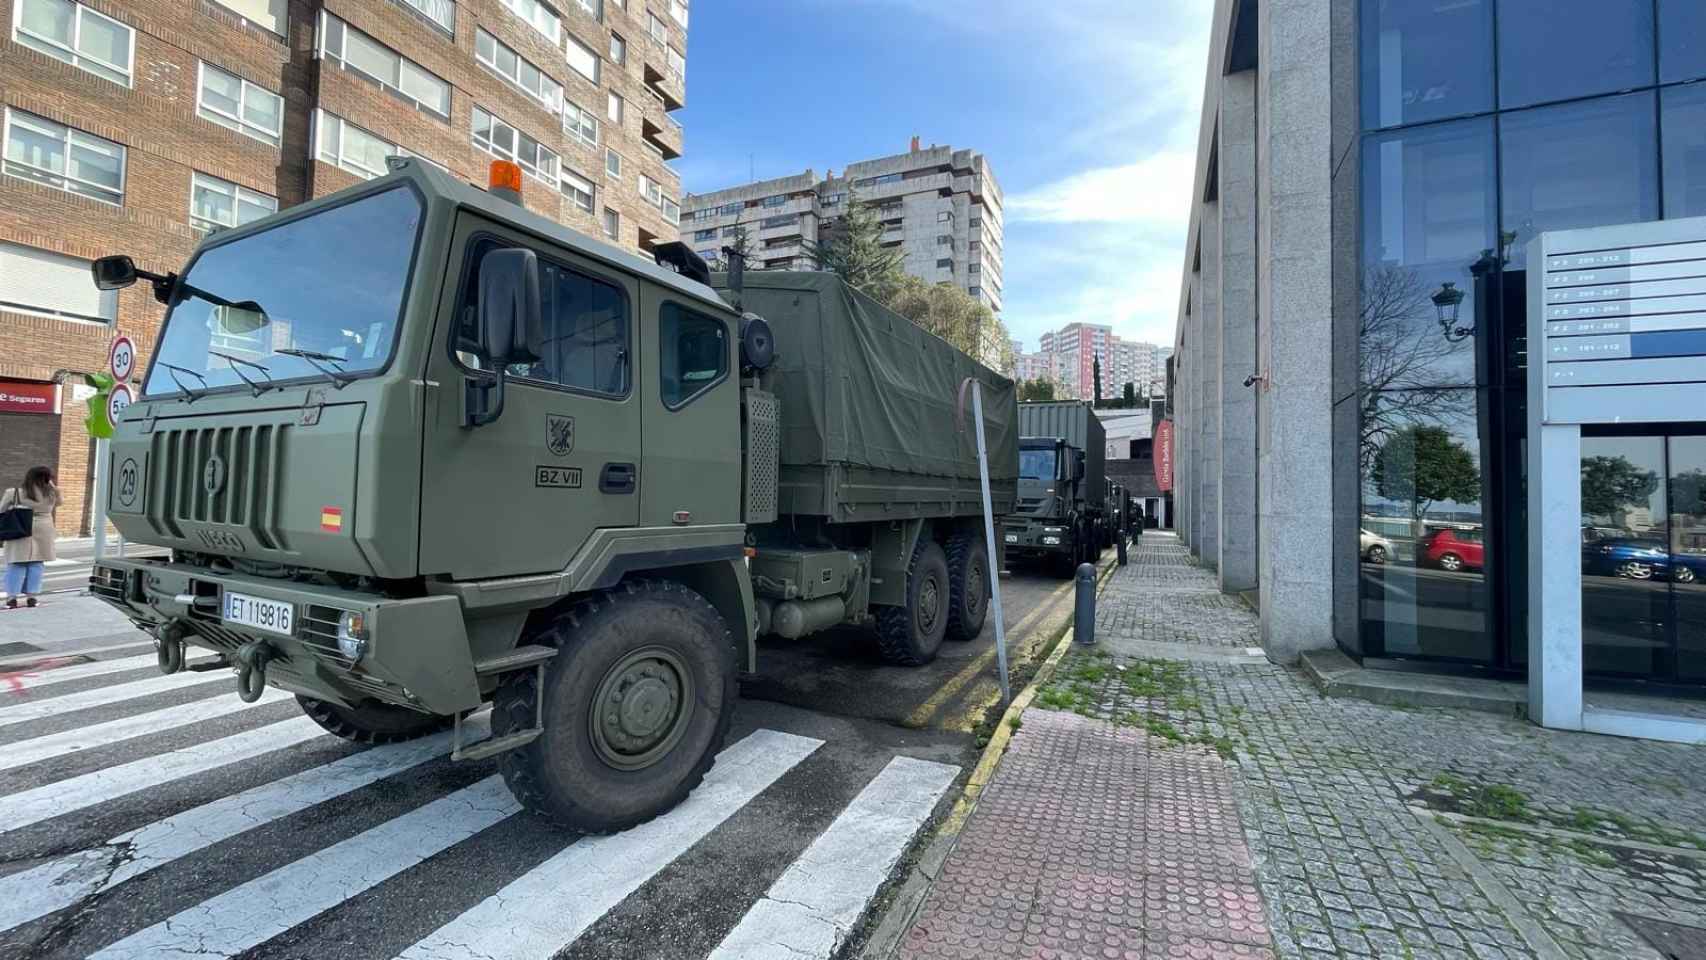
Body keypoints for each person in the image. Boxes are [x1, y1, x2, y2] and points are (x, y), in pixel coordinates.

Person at [2, 466, 61, 608]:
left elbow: (1, 510)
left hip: (19, 527)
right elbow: (59, 504)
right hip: (44, 528)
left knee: (16, 562)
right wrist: (53, 487)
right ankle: (32, 597)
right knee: (36, 564)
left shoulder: (14, 493)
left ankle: (12, 598)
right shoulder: (52, 494)